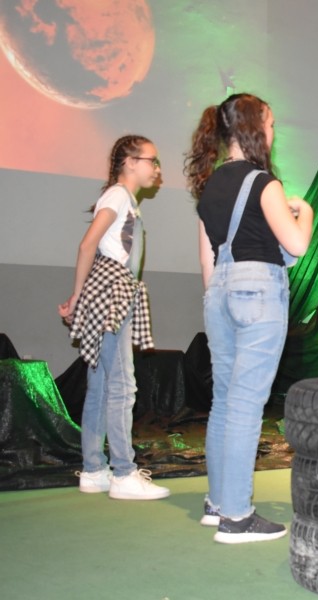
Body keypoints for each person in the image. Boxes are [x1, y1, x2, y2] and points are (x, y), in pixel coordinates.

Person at [185, 93, 313, 543]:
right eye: (271, 124)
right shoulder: (264, 183)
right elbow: (296, 245)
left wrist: (222, 296)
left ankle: (218, 503)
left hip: (218, 293)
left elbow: (207, 262)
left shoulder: (209, 188)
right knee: (245, 405)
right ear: (254, 128)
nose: (274, 132)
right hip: (258, 291)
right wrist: (306, 213)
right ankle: (237, 518)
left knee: (224, 401)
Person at [59, 134, 171, 501]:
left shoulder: (122, 199)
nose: (157, 168)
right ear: (129, 162)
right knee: (122, 384)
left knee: (102, 384)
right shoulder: (118, 196)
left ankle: (94, 469)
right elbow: (87, 244)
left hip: (111, 290)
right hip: (112, 292)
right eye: (151, 160)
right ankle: (123, 473)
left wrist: (80, 296)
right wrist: (77, 296)